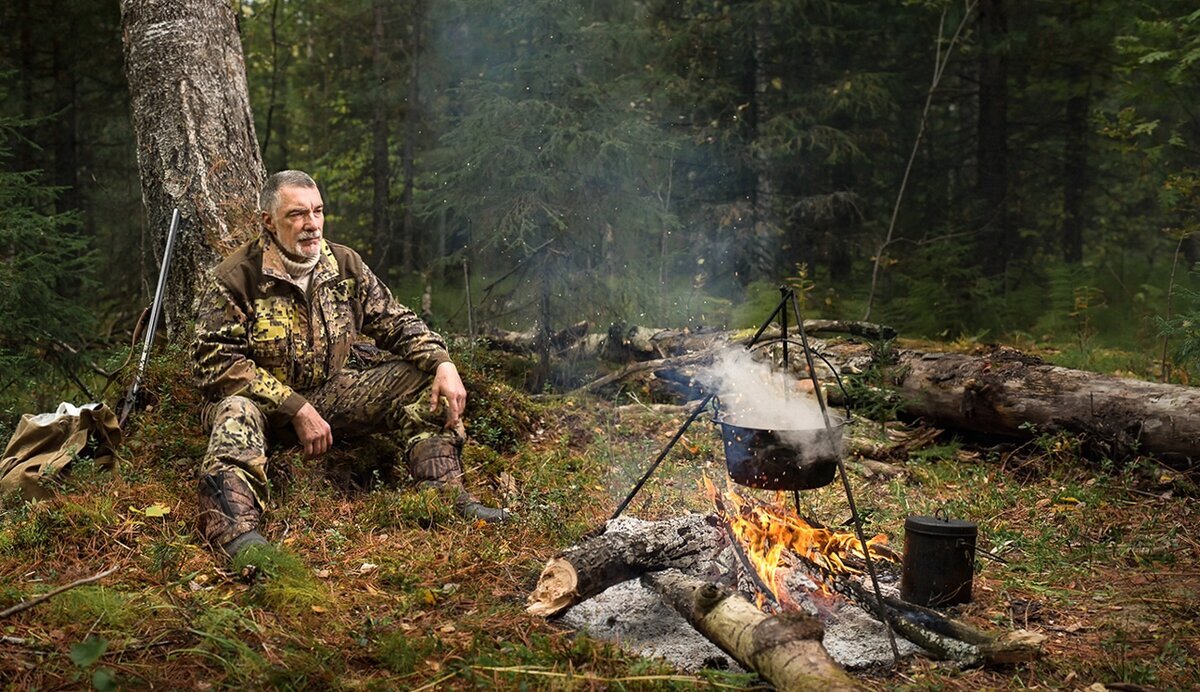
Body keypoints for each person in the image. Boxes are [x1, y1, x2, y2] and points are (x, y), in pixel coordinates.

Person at [192, 170, 508, 560]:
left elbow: (395, 320)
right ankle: (237, 535)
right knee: (235, 412)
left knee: (421, 379)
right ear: (268, 222)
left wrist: (442, 362)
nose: (311, 225)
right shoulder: (237, 277)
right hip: (259, 408)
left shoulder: (342, 264)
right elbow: (218, 364)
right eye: (297, 215)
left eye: (318, 212)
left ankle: (444, 494)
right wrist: (295, 408)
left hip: (330, 394)